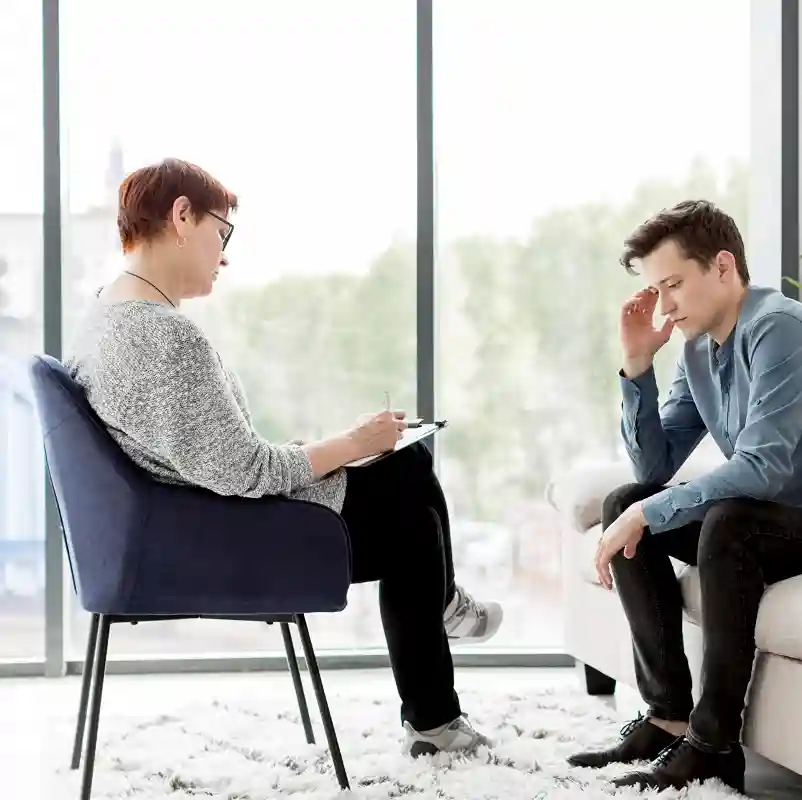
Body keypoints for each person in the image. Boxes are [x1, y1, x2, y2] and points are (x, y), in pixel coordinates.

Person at [64, 157, 503, 757]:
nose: (224, 255)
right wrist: (351, 446)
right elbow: (246, 472)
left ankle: (441, 641)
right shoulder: (161, 335)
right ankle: (439, 659)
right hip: (229, 535)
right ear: (182, 215)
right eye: (223, 233)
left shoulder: (107, 317)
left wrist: (325, 449)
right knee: (410, 509)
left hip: (195, 517)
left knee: (404, 465)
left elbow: (207, 454)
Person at [567, 200, 802, 793]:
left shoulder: (779, 328)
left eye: (674, 285)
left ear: (724, 266)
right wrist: (636, 366)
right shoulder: (698, 350)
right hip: (790, 519)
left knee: (725, 522)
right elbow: (655, 467)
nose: (665, 306)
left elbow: (760, 469)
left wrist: (647, 511)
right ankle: (667, 715)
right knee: (624, 501)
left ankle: (714, 745)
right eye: (657, 290)